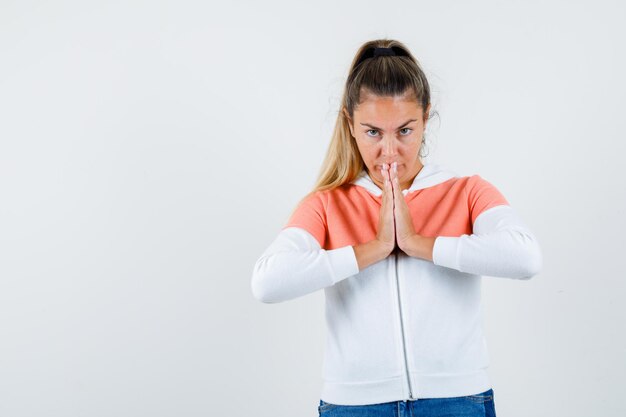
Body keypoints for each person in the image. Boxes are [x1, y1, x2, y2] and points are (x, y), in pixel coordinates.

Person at [250, 39, 542, 417]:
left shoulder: (465, 191)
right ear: (350, 124)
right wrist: (375, 247)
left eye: (405, 131)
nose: (389, 151)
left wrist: (418, 243)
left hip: (457, 400)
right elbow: (267, 283)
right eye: (373, 132)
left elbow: (526, 257)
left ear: (425, 117)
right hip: (355, 405)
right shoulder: (327, 203)